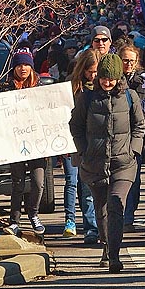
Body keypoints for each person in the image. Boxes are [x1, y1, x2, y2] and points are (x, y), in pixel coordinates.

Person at [69, 53, 145, 273]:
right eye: (103, 77)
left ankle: (114, 255)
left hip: (123, 163)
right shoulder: (86, 98)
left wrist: (134, 150)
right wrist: (84, 150)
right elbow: (75, 126)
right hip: (94, 163)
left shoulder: (130, 97)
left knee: (115, 203)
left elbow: (139, 125)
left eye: (111, 78)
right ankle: (106, 246)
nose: (107, 82)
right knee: (100, 208)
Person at [0, 45, 49, 237]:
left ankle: (33, 214)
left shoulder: (41, 88)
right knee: (17, 182)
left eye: (26, 65)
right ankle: (14, 221)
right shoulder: (5, 88)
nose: (23, 69)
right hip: (15, 142)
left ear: (31, 67)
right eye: (19, 66)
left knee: (37, 182)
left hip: (38, 142)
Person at [62, 50, 101, 244]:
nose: (92, 76)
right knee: (79, 185)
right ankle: (89, 227)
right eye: (89, 72)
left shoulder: (104, 85)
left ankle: (96, 226)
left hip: (98, 142)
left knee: (93, 187)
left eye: (95, 72)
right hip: (77, 142)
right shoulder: (72, 86)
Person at [118, 45, 145, 233]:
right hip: (117, 137)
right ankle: (118, 216)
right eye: (125, 60)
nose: (128, 64)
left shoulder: (143, 81)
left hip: (134, 138)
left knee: (134, 181)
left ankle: (128, 217)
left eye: (132, 61)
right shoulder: (112, 80)